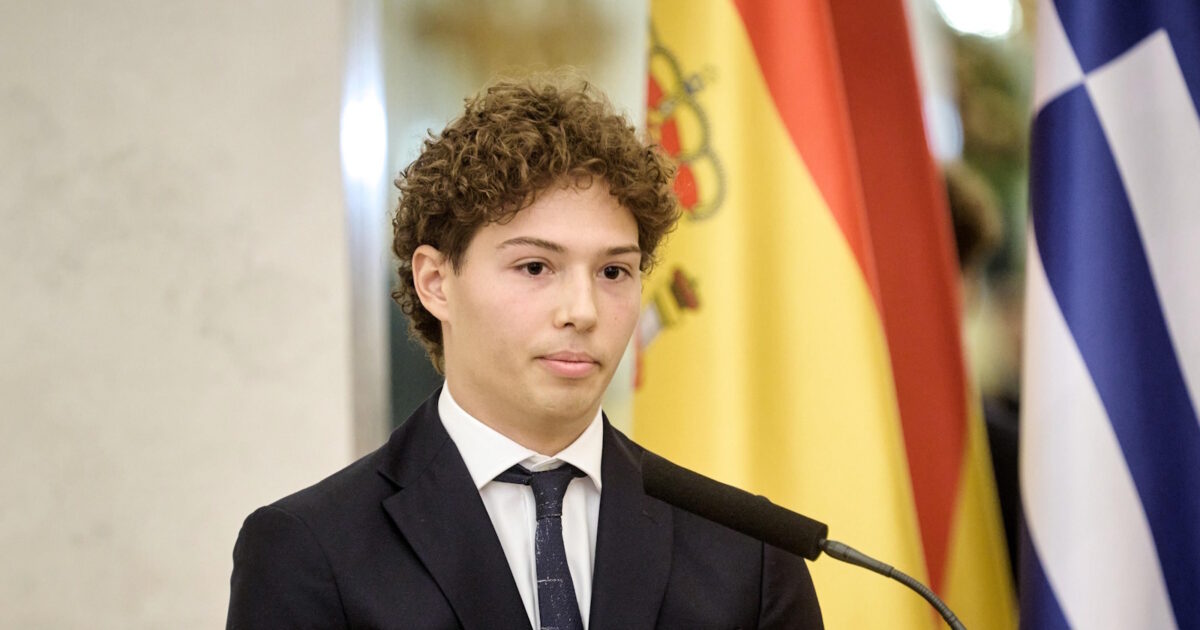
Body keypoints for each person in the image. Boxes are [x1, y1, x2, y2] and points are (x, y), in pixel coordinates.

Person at [227, 76, 822, 629]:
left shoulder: (751, 554)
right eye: (535, 267)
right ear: (436, 282)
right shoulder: (310, 550)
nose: (583, 310)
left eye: (614, 271)